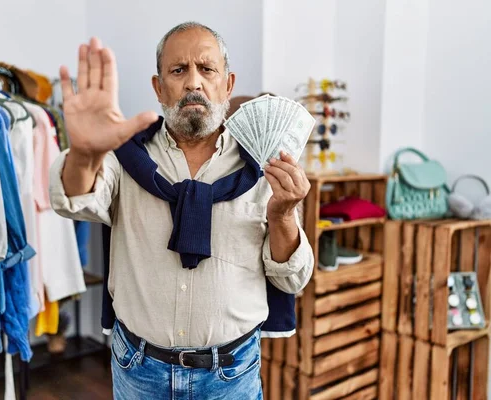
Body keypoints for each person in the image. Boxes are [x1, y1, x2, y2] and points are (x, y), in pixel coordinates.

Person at [49, 21, 314, 399]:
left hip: (232, 376)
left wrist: (283, 215)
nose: (193, 82)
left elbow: (292, 280)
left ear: (228, 84)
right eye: (178, 70)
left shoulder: (264, 164)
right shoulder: (126, 156)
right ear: (159, 87)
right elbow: (75, 197)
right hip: (138, 370)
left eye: (207, 69)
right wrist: (84, 154)